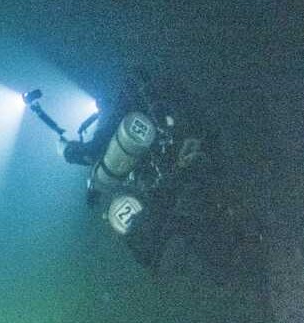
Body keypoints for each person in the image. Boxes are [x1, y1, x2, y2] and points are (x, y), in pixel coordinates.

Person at [58, 70, 259, 280]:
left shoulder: (120, 107)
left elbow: (91, 152)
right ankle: (238, 243)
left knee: (171, 222)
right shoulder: (157, 90)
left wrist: (68, 151)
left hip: (168, 173)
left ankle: (228, 259)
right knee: (195, 209)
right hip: (188, 157)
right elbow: (196, 119)